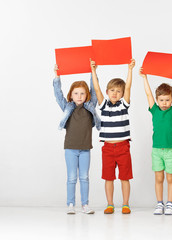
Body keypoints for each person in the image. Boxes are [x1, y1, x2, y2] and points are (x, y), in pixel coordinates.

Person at [53, 63, 101, 214]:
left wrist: (93, 71)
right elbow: (58, 94)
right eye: (76, 93)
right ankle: (71, 204)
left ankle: (85, 205)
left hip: (85, 148)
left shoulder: (90, 106)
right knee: (72, 178)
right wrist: (57, 75)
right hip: (70, 149)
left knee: (84, 177)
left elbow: (94, 89)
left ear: (86, 95)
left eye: (82, 93)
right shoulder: (68, 107)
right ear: (71, 95)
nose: (79, 96)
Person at [91, 59, 135, 214]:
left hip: (123, 147)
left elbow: (128, 86)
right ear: (107, 91)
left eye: (118, 91)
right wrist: (94, 71)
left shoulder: (124, 105)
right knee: (108, 178)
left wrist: (130, 70)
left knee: (125, 177)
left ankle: (125, 204)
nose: (115, 93)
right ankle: (110, 204)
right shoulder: (104, 105)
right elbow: (96, 90)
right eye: (112, 90)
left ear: (122, 94)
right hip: (108, 148)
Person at [139, 67, 172, 215]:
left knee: (170, 177)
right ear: (157, 101)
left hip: (170, 150)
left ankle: (170, 203)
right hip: (157, 150)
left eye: (167, 100)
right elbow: (148, 93)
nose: (164, 103)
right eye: (161, 100)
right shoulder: (155, 110)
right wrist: (145, 78)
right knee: (158, 177)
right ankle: (159, 203)